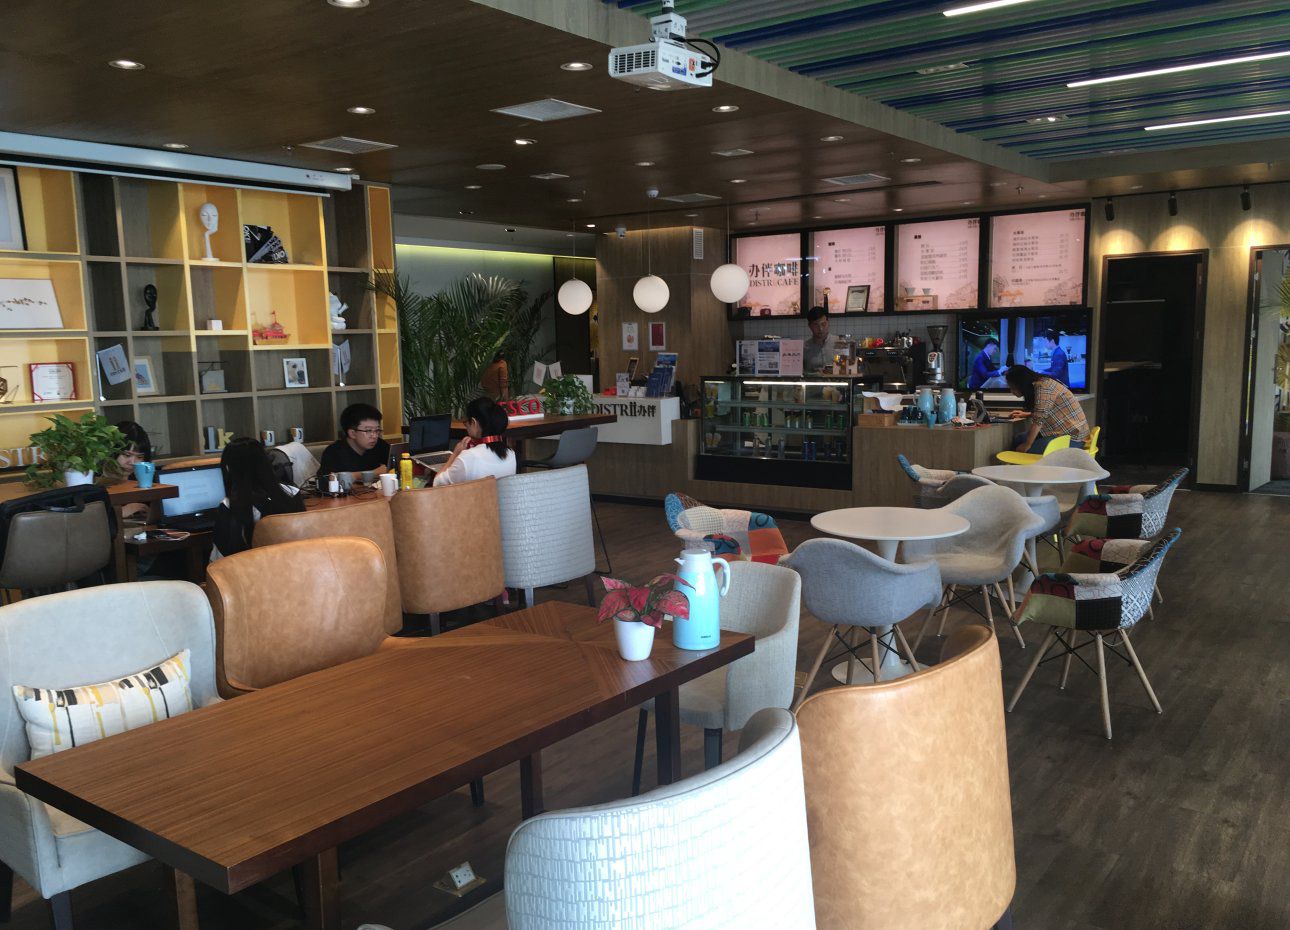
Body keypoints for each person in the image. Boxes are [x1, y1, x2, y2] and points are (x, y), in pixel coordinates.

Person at [211, 437, 304, 561]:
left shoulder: (231, 506)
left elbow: (220, 560)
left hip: (253, 569)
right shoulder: (292, 493)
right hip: (297, 565)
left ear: (229, 468)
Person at [433, 396, 517, 487]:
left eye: (466, 422)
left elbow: (437, 484)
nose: (466, 426)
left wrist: (455, 454)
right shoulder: (511, 454)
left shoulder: (468, 457)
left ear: (474, 422)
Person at [1005, 365, 1090, 454]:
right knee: (1019, 439)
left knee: (1027, 449)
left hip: (1073, 438)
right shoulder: (1042, 382)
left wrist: (1027, 445)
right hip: (1065, 433)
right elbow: (1046, 412)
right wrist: (1028, 414)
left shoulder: (1044, 387)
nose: (1012, 391)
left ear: (1021, 384)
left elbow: (1038, 421)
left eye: (1013, 387)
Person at [319, 403, 390, 480]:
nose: (374, 436)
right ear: (352, 433)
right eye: (368, 431)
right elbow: (329, 479)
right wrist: (373, 473)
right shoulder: (334, 452)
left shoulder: (380, 445)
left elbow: (396, 464)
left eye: (377, 430)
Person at [115, 421, 152, 519]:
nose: (133, 462)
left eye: (139, 457)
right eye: (127, 455)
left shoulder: (144, 480)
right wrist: (120, 513)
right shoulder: (95, 482)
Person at [803, 306, 838, 372]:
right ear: (810, 326)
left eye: (823, 324)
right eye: (816, 325)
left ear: (828, 323)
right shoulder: (804, 348)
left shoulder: (839, 343)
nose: (820, 329)